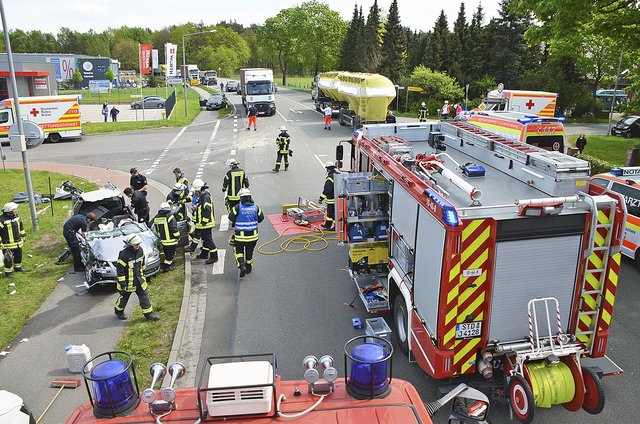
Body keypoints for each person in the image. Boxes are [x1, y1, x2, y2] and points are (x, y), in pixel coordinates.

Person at [114, 233, 159, 321]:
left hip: (139, 281)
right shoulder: (123, 255)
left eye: (138, 244)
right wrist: (123, 284)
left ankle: (149, 314)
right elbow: (120, 271)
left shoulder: (140, 251)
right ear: (130, 245)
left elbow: (142, 265)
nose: (138, 246)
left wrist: (144, 276)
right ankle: (118, 311)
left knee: (144, 297)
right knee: (123, 299)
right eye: (136, 244)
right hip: (127, 284)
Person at [228, 188, 264, 277]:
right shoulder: (256, 207)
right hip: (253, 237)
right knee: (249, 251)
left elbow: (231, 217)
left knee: (238, 251)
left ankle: (242, 265)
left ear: (241, 198)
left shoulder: (237, 207)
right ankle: (249, 267)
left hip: (240, 237)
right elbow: (261, 219)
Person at [184, 180, 219, 264]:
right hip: (202, 224)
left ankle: (214, 256)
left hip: (205, 224)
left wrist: (204, 222)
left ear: (199, 189)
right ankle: (204, 253)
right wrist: (197, 208)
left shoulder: (205, 197)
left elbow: (207, 210)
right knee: (202, 238)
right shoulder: (203, 196)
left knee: (208, 240)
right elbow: (202, 208)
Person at [0, 202, 26, 278]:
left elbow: (21, 227)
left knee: (18, 256)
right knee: (8, 258)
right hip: (7, 245)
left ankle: (18, 268)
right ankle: (8, 272)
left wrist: (23, 235)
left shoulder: (17, 217)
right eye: (14, 210)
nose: (16, 211)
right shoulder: (1, 220)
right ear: (9, 211)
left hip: (18, 243)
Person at [152, 203, 180, 272]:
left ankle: (167, 263)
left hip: (163, 240)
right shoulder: (170, 216)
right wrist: (177, 236)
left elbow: (156, 228)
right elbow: (174, 228)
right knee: (170, 255)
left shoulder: (156, 217)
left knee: (167, 253)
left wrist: (160, 236)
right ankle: (166, 267)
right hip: (171, 240)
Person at [318, 161, 338, 230]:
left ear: (328, 169)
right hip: (338, 198)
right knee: (330, 214)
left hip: (331, 200)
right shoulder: (338, 174)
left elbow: (327, 189)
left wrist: (321, 198)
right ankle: (327, 225)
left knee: (332, 213)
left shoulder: (330, 178)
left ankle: (336, 226)